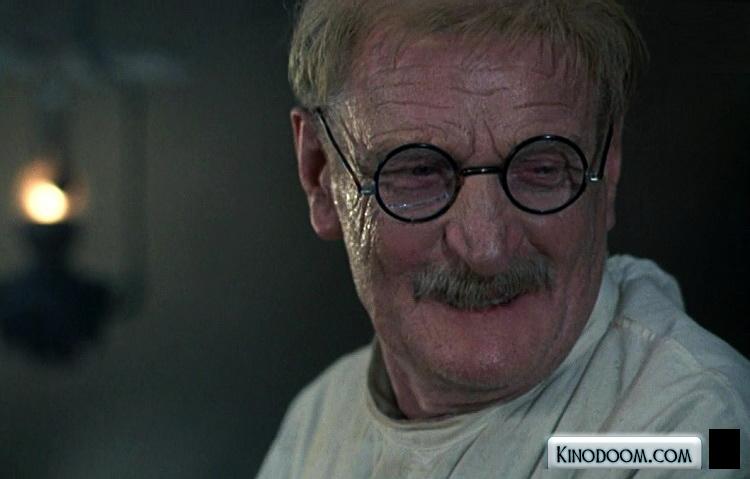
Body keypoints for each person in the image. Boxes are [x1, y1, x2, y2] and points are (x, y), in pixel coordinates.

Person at [259, 0, 750, 476]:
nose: (487, 249)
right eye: (419, 171)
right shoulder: (318, 422)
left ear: (609, 165)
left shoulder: (695, 431)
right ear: (320, 176)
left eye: (541, 168)